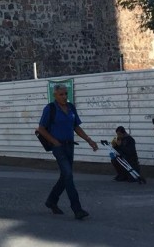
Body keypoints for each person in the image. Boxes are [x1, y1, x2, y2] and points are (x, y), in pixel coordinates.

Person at [36, 84, 98, 220]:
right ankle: (77, 209)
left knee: (65, 176)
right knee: (68, 174)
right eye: (61, 94)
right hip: (58, 147)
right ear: (55, 95)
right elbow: (41, 128)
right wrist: (54, 142)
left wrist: (89, 140)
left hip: (70, 146)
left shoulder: (71, 108)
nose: (64, 97)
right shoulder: (50, 108)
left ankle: (51, 201)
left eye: (66, 94)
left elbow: (76, 126)